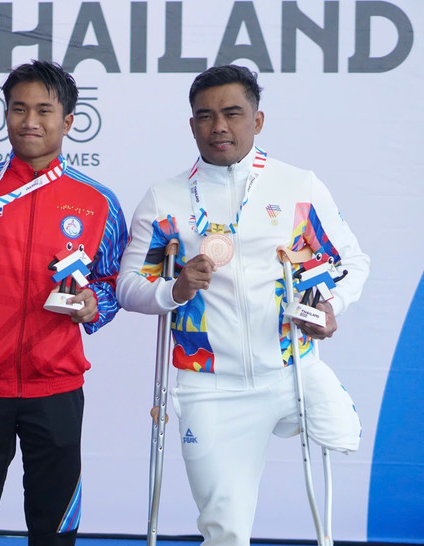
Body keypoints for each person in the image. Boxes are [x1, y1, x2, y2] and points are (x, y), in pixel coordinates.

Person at [116, 64, 369, 546]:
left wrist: (329, 304)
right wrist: (176, 289)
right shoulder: (166, 198)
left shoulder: (298, 185)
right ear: (191, 125)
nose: (219, 127)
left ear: (258, 120)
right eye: (205, 116)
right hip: (209, 384)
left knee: (342, 444)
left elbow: (350, 261)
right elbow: (129, 286)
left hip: (289, 369)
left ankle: (325, 406)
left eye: (232, 113)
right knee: (225, 529)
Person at [0, 60, 128, 545]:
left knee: (53, 521)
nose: (29, 121)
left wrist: (92, 306)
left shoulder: (97, 201)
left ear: (69, 121)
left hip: (55, 386)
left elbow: (114, 281)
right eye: (18, 109)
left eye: (43, 110)